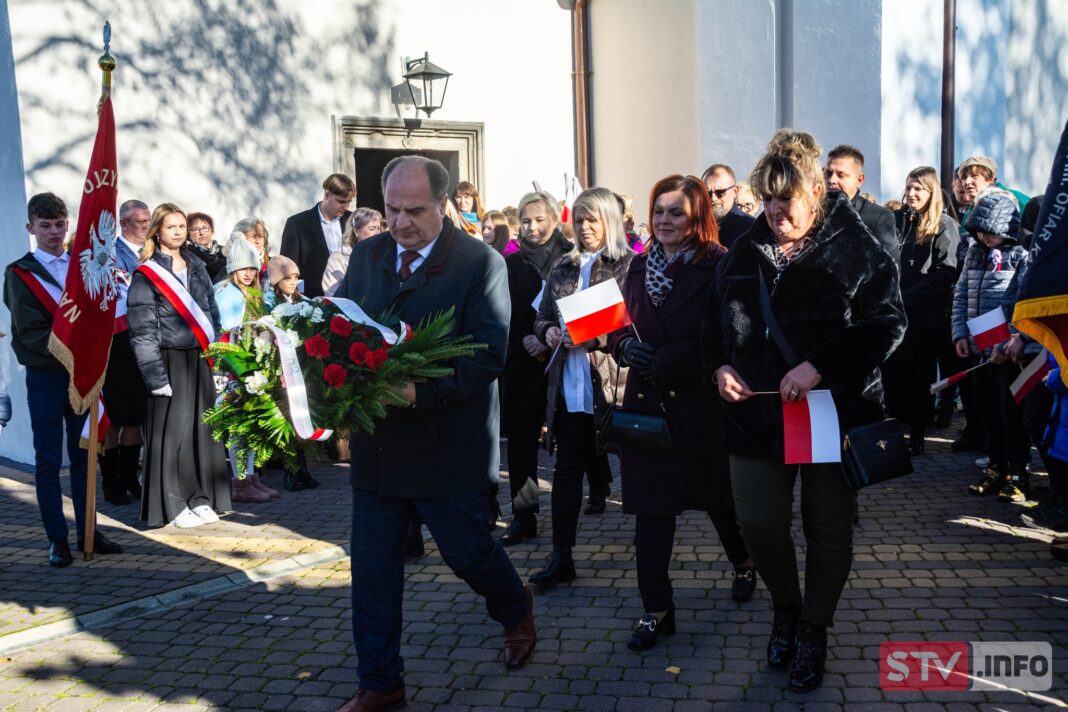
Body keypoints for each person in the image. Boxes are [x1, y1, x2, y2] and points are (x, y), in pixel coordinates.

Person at [705, 130, 905, 692]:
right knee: (759, 521)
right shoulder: (744, 248)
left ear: (816, 193)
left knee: (827, 528)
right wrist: (719, 368)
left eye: (785, 199)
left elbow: (888, 323)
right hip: (757, 416)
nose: (773, 211)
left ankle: (814, 627)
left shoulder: (854, 244)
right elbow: (710, 329)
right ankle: (786, 607)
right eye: (766, 199)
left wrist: (819, 365)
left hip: (830, 415)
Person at [333, 156, 535, 711]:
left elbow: (488, 352)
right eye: (393, 208)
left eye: (414, 210)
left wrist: (421, 393)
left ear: (444, 205)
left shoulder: (479, 262)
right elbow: (343, 324)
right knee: (372, 572)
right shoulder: (369, 254)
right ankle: (380, 681)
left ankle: (514, 606)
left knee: (469, 555)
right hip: (379, 448)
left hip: (447, 448)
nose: (400, 222)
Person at [609, 175, 755, 652]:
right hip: (647, 408)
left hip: (697, 407)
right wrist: (626, 347)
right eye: (659, 212)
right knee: (651, 516)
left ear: (697, 216)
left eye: (676, 212)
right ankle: (657, 610)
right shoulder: (635, 267)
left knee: (717, 501)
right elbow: (615, 328)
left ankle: (744, 562)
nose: (665, 221)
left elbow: (731, 340)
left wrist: (670, 359)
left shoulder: (718, 264)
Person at [3, 192, 124, 566]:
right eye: (45, 226)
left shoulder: (83, 266)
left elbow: (103, 311)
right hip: (47, 377)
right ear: (31, 228)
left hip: (84, 376)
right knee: (48, 460)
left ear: (68, 224)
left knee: (85, 455)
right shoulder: (20, 273)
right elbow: (29, 332)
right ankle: (57, 537)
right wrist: (74, 350)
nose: (54, 232)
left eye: (59, 224)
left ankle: (88, 529)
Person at [529, 187, 635, 589]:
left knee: (636, 470)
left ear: (609, 220)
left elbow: (633, 322)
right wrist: (550, 330)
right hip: (571, 385)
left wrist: (593, 337)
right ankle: (562, 555)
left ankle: (650, 553)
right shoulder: (562, 266)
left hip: (615, 385)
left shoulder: (629, 265)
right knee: (567, 471)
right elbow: (540, 317)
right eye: (580, 220)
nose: (586, 228)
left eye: (593, 220)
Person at [127, 203, 231, 529]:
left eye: (182, 226)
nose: (178, 232)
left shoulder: (199, 266)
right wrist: (154, 376)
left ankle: (200, 496)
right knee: (173, 437)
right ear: (157, 230)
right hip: (168, 360)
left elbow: (212, 315)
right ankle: (173, 502)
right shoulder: (147, 274)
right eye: (171, 226)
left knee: (202, 432)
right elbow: (142, 330)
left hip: (199, 358)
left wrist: (218, 361)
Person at [499, 192, 572, 547]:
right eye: (526, 221)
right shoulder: (509, 264)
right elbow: (502, 313)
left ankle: (597, 488)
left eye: (539, 219)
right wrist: (527, 340)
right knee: (522, 439)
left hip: (567, 357)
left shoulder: (571, 258)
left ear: (554, 220)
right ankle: (524, 515)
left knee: (576, 438)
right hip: (523, 359)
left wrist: (549, 340)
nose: (532, 227)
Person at [952, 191, 1032, 501]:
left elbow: (1024, 304)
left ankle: (1017, 472)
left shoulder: (1022, 256)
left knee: (1010, 414)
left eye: (991, 232)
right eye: (980, 231)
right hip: (980, 350)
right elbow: (961, 295)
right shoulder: (974, 253)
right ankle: (995, 467)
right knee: (987, 411)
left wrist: (1011, 340)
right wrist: (959, 334)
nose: (985, 237)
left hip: (1010, 354)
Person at [882, 167, 960, 454]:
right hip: (894, 314)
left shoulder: (944, 225)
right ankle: (893, 431)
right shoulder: (896, 219)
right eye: (909, 187)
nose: (912, 194)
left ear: (932, 192)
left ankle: (917, 434)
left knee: (920, 377)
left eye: (919, 189)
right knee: (894, 375)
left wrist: (907, 297)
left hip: (924, 317)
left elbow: (944, 273)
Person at [98, 198, 152, 505]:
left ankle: (131, 476)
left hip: (144, 342)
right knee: (114, 419)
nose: (145, 227)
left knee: (135, 417)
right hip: (116, 343)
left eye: (147, 221)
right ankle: (110, 479)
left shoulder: (153, 254)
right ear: (124, 224)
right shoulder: (111, 255)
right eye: (140, 222)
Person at [213, 237, 274, 504]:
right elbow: (227, 335)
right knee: (239, 426)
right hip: (233, 368)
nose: (248, 273)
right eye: (243, 268)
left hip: (252, 365)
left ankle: (250, 477)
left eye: (252, 268)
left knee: (250, 425)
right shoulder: (227, 294)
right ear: (232, 269)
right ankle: (240, 482)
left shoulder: (255, 294)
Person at [280, 173, 355, 298]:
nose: (346, 207)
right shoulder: (297, 223)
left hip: (351, 298)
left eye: (348, 202)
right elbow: (287, 267)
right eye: (341, 201)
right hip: (312, 301)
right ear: (327, 195)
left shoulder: (353, 220)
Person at [823, 145, 899, 260]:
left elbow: (890, 272)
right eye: (828, 173)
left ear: (859, 180)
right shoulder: (813, 213)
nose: (832, 180)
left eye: (841, 175)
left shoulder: (879, 218)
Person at [322, 207, 382, 297]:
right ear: (356, 231)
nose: (378, 233)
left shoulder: (385, 255)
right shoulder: (338, 258)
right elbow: (331, 296)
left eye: (379, 228)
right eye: (372, 229)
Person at [701, 163, 755, 248]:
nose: (713, 198)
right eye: (707, 193)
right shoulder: (695, 227)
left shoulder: (751, 230)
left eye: (720, 192)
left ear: (735, 191)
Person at [186, 211, 227, 283]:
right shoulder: (189, 253)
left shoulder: (224, 250)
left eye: (205, 228)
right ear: (189, 234)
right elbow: (213, 269)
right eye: (196, 229)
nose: (201, 232)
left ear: (211, 230)